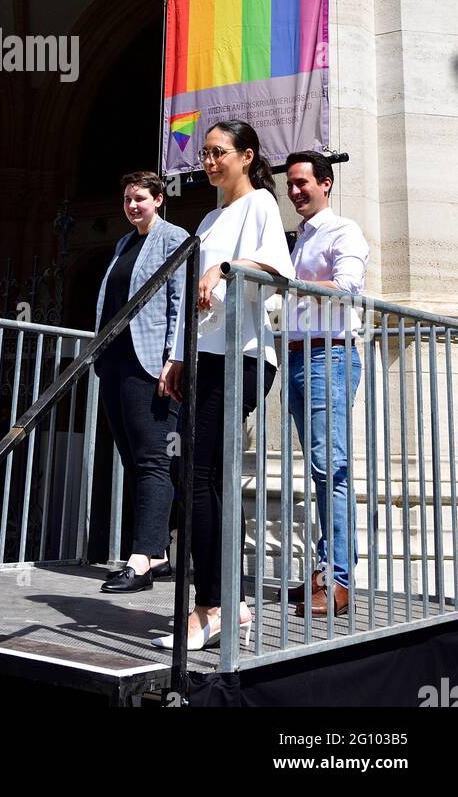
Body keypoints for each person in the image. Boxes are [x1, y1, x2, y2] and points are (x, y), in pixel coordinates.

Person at [156, 120, 294, 651]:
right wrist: (176, 356)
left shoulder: (258, 204)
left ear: (246, 155)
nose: (210, 161)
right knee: (198, 472)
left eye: (219, 152)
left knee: (196, 469)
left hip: (243, 354)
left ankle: (212, 604)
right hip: (206, 355)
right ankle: (226, 604)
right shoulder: (211, 217)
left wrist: (225, 266)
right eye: (206, 153)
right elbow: (190, 296)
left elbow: (276, 270)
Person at [94, 171, 188, 594]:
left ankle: (141, 559)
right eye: (128, 199)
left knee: (153, 458)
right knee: (132, 458)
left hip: (149, 362)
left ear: (159, 199)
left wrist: (173, 358)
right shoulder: (123, 243)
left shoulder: (173, 238)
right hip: (115, 359)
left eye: (141, 199)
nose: (133, 205)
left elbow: (178, 301)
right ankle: (160, 555)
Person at [284, 150, 369, 617]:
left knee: (329, 468)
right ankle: (325, 570)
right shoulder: (301, 238)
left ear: (326, 183)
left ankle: (337, 579)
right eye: (292, 184)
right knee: (320, 469)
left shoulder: (343, 231)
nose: (296, 191)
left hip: (329, 355)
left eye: (303, 183)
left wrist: (288, 284)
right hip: (301, 358)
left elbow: (350, 286)